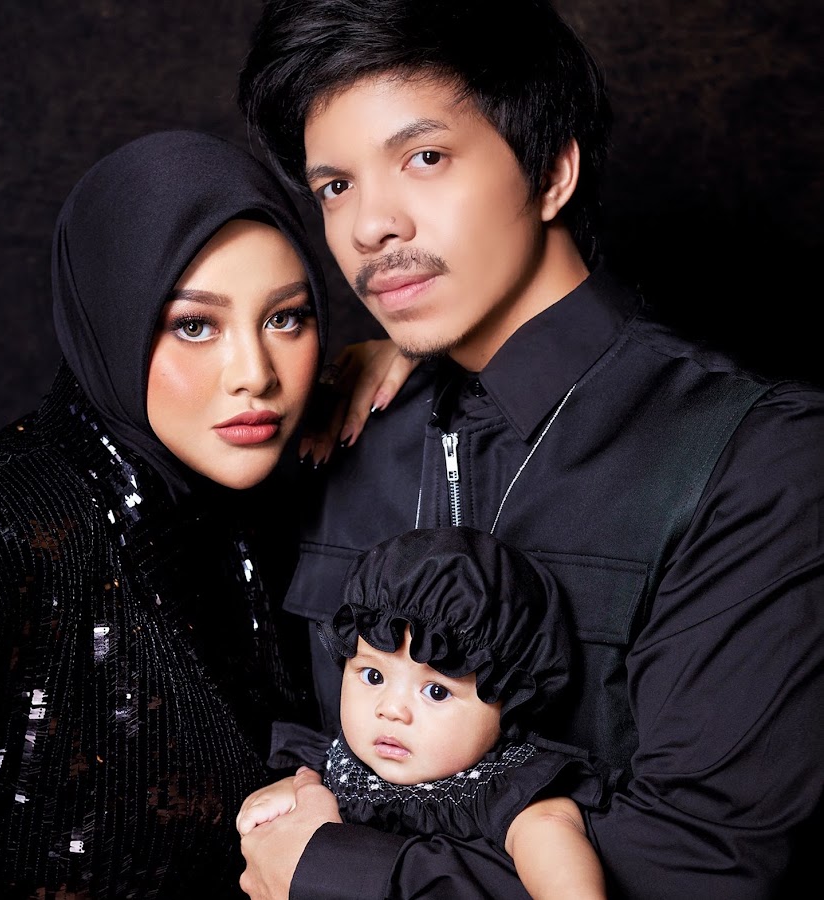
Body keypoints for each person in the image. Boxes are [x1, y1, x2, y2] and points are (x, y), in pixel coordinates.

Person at [235, 1, 824, 897]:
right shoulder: (339, 431)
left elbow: (703, 866)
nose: (368, 227)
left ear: (550, 173)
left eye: (424, 158)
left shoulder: (755, 460)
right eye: (336, 187)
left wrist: (333, 872)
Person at [0, 129, 408, 898]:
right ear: (110, 323)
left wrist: (416, 359)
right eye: (194, 325)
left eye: (286, 318)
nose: (255, 375)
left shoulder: (270, 500)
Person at [238, 526, 617, 899]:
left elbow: (550, 839)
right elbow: (311, 791)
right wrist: (290, 793)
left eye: (436, 691)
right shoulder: (340, 760)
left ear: (507, 699)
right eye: (373, 676)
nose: (391, 709)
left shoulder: (502, 788)